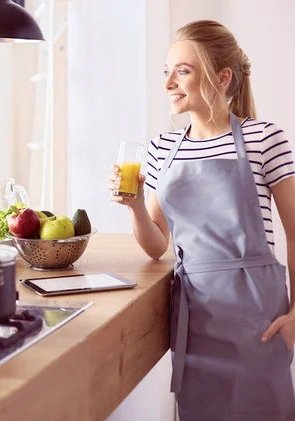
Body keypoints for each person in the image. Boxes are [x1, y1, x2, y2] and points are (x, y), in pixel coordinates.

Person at [108, 20, 295, 420]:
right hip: (196, 321)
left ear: (222, 77)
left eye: (182, 71)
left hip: (257, 322)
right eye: (166, 72)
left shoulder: (264, 138)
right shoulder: (161, 149)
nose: (168, 83)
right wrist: (136, 205)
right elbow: (158, 245)